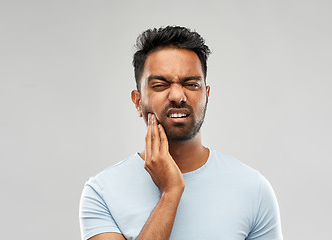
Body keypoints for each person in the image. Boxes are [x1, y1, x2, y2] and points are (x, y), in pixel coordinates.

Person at [79, 26, 283, 240]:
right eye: (160, 85)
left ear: (206, 95)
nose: (178, 95)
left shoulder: (253, 189)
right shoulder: (102, 192)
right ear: (138, 102)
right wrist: (170, 192)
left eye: (191, 84)